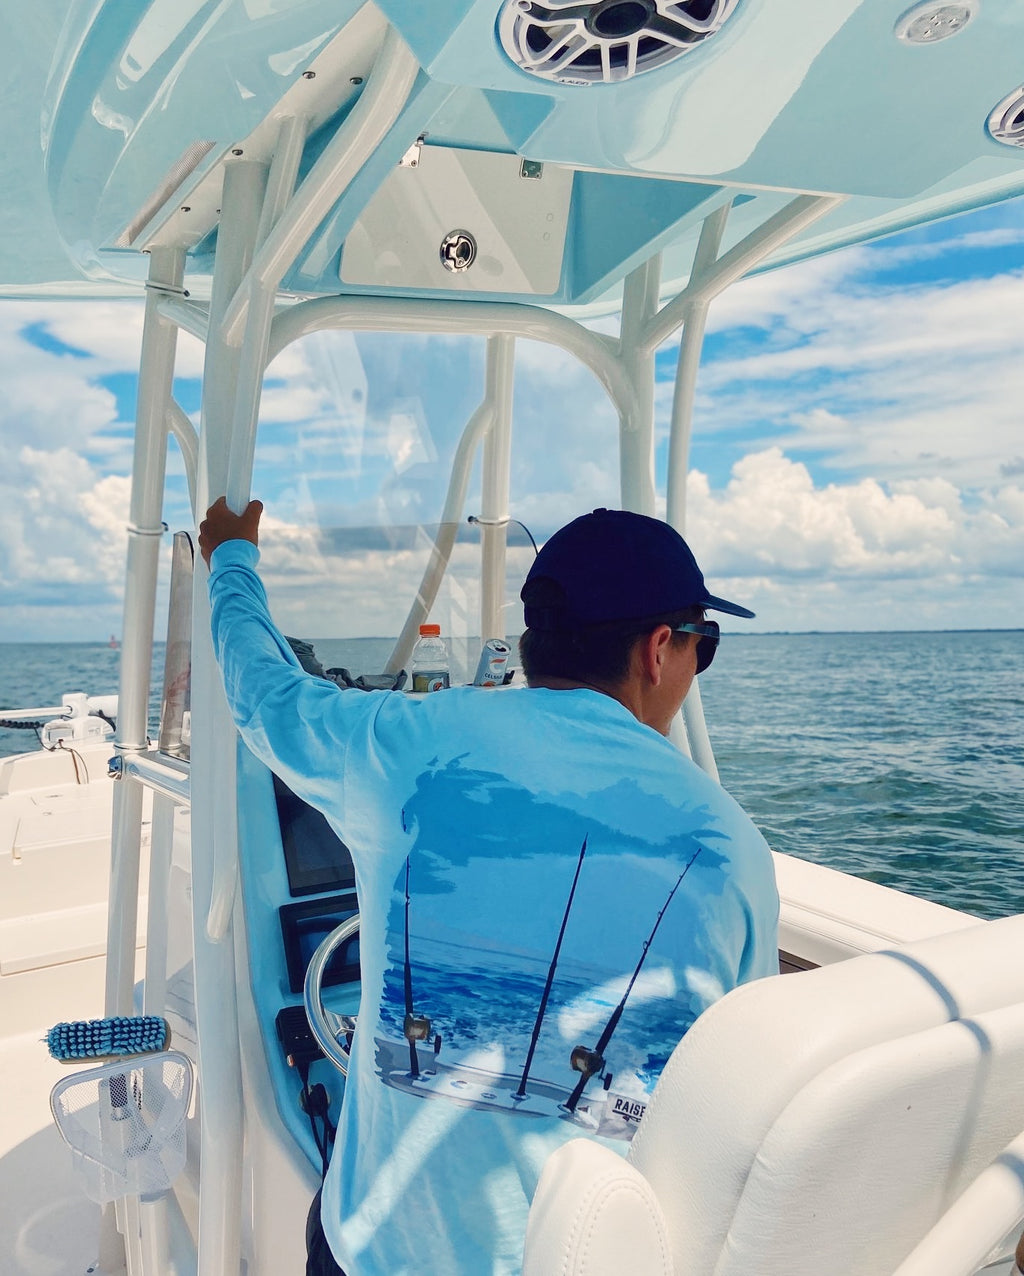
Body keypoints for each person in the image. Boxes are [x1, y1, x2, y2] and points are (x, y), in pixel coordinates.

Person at [200, 499, 780, 1276]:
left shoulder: (403, 746)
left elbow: (264, 693)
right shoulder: (731, 853)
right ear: (658, 649)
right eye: (702, 646)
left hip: (370, 1254)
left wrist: (232, 560)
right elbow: (743, 1106)